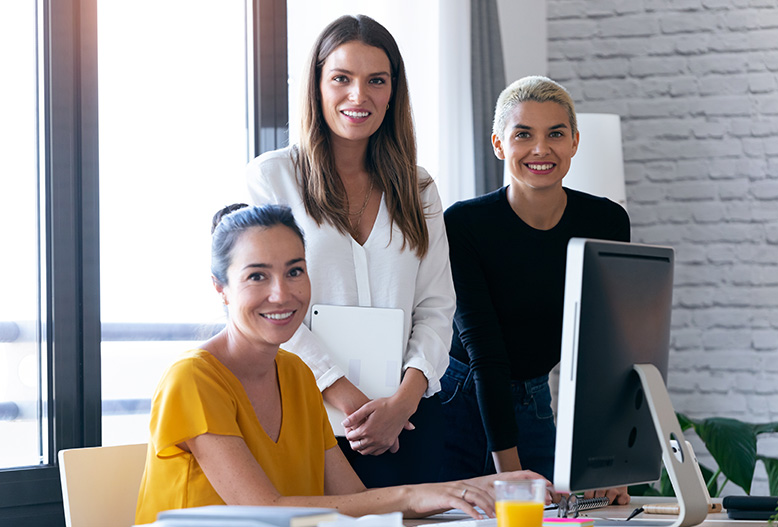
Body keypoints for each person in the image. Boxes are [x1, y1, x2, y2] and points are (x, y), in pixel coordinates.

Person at [134, 204, 546, 525]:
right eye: (257, 277)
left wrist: (472, 487)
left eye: (295, 271)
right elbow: (264, 510)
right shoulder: (193, 378)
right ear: (221, 289)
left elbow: (354, 500)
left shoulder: (296, 373)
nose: (282, 294)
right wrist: (415, 495)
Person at [246, 15, 454, 487]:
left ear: (392, 92)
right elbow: (270, 305)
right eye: (341, 78)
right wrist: (353, 403)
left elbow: (437, 306)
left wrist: (402, 403)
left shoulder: (418, 188)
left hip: (409, 424)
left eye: (376, 81)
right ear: (317, 86)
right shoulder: (272, 179)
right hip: (306, 419)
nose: (359, 96)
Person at [438, 76, 631, 505]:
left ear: (575, 142)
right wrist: (512, 480)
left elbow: (604, 349)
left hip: (534, 396)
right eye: (523, 134)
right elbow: (485, 353)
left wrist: (606, 464)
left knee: (563, 515)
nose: (540, 149)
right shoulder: (465, 225)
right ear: (499, 144)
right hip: (461, 399)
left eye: (555, 134)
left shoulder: (607, 222)